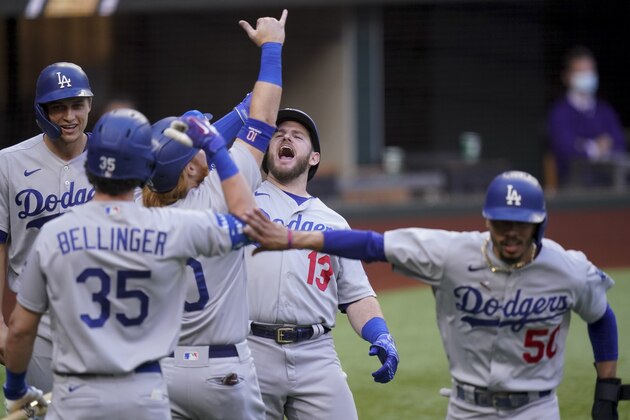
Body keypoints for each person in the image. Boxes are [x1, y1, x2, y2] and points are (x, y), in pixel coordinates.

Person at [243, 170, 623, 420]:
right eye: (502, 223)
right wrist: (293, 239)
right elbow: (372, 244)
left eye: (521, 225)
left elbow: (602, 315)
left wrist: (606, 386)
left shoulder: (568, 269)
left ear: (539, 225)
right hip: (467, 407)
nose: (511, 233)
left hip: (536, 408)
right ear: (487, 220)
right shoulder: (454, 253)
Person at [2, 107, 257, 419]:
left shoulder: (54, 235)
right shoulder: (168, 226)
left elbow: (21, 330)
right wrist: (216, 146)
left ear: (90, 166)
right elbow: (249, 223)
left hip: (76, 395)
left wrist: (15, 389)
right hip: (145, 393)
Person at [141, 10, 288, 420]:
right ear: (190, 167)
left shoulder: (138, 205)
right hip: (222, 371)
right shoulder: (223, 191)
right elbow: (263, 120)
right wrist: (272, 47)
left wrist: (199, 138)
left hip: (160, 370)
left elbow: (172, 158)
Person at [243, 108, 399, 420]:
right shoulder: (244, 201)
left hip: (316, 353)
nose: (286, 136)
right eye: (278, 133)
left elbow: (355, 294)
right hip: (251, 349)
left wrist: (380, 333)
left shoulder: (334, 222)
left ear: (314, 157)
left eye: (297, 135)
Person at [0, 62, 95, 392]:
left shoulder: (112, 160)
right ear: (42, 111)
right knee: (44, 411)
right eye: (58, 107)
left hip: (99, 310)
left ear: (89, 106)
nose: (69, 116)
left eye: (77, 105)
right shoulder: (8, 162)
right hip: (35, 316)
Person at [548, 46, 627, 186]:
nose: (586, 77)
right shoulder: (560, 112)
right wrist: (595, 148)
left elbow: (619, 140)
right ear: (567, 77)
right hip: (576, 185)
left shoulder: (605, 110)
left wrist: (586, 145)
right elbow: (565, 148)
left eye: (589, 71)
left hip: (610, 180)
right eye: (580, 72)